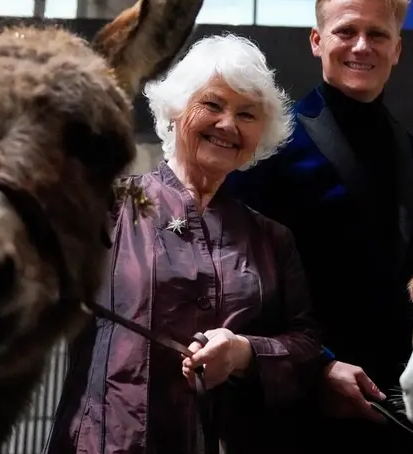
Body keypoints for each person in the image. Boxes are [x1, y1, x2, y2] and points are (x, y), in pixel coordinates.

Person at [44, 34, 323, 454]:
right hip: (108, 442)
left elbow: (306, 346)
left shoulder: (272, 239)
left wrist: (245, 351)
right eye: (212, 104)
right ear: (175, 109)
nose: (228, 124)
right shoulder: (105, 208)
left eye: (246, 114)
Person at [224, 0, 413, 453]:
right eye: (345, 31)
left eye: (377, 33)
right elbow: (243, 281)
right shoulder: (270, 145)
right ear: (316, 40)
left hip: (404, 419)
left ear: (397, 48)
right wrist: (318, 367)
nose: (361, 46)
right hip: (297, 416)